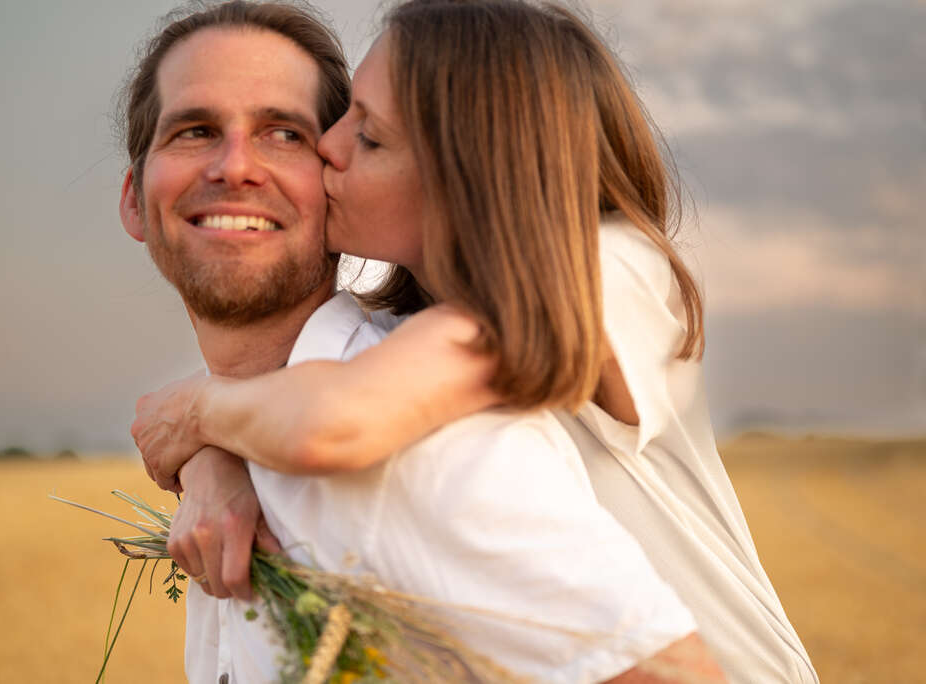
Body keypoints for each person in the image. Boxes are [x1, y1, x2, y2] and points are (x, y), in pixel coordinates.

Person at [131, 0, 818, 681]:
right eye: (193, 130)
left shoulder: (607, 270)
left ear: (470, 177)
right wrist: (218, 457)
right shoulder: (413, 342)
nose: (328, 150)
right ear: (132, 199)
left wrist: (195, 413)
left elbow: (336, 422)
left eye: (367, 138)